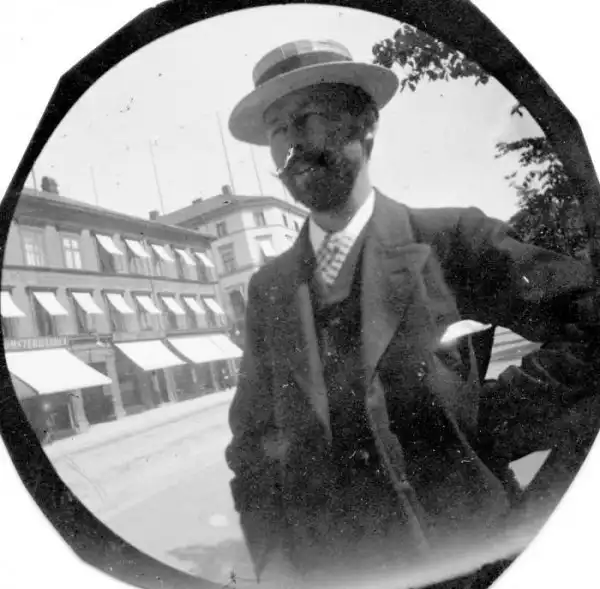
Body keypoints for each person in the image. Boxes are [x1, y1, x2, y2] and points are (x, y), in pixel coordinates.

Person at [224, 39, 600, 585]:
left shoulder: (451, 238)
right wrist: (273, 558)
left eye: (310, 118)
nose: (293, 143)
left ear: (366, 127)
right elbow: (252, 442)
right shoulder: (269, 290)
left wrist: (485, 422)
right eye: (278, 129)